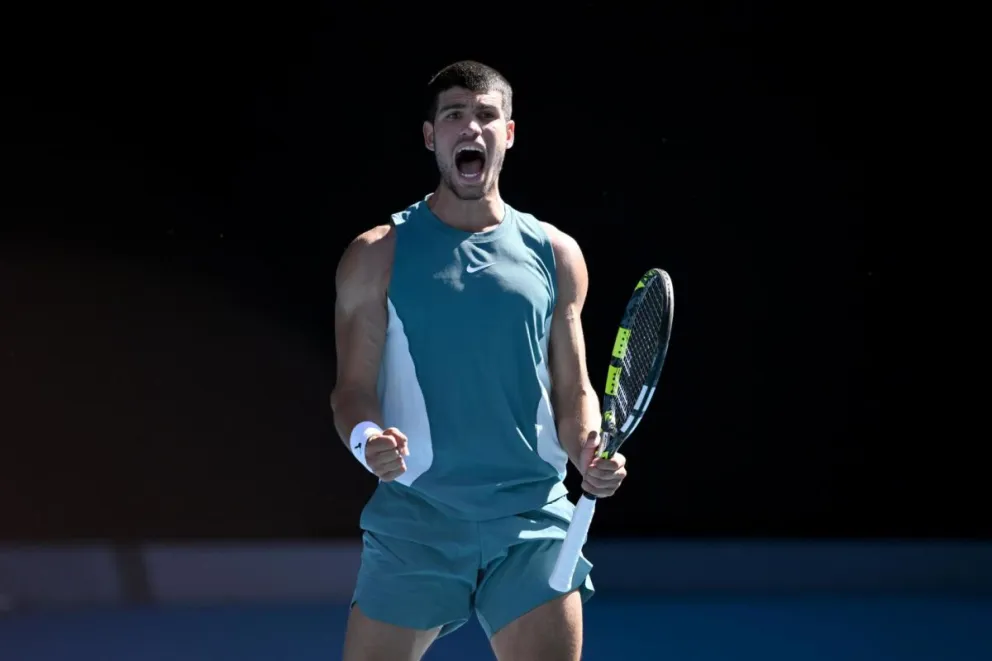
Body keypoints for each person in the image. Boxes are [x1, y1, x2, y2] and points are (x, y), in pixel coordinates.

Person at [330, 60, 628, 661]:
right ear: (430, 136)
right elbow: (352, 390)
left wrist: (587, 449)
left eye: (486, 115)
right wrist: (368, 440)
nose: (471, 127)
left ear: (508, 133)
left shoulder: (557, 254)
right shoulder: (376, 255)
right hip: (417, 517)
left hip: (531, 517)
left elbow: (573, 389)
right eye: (454, 115)